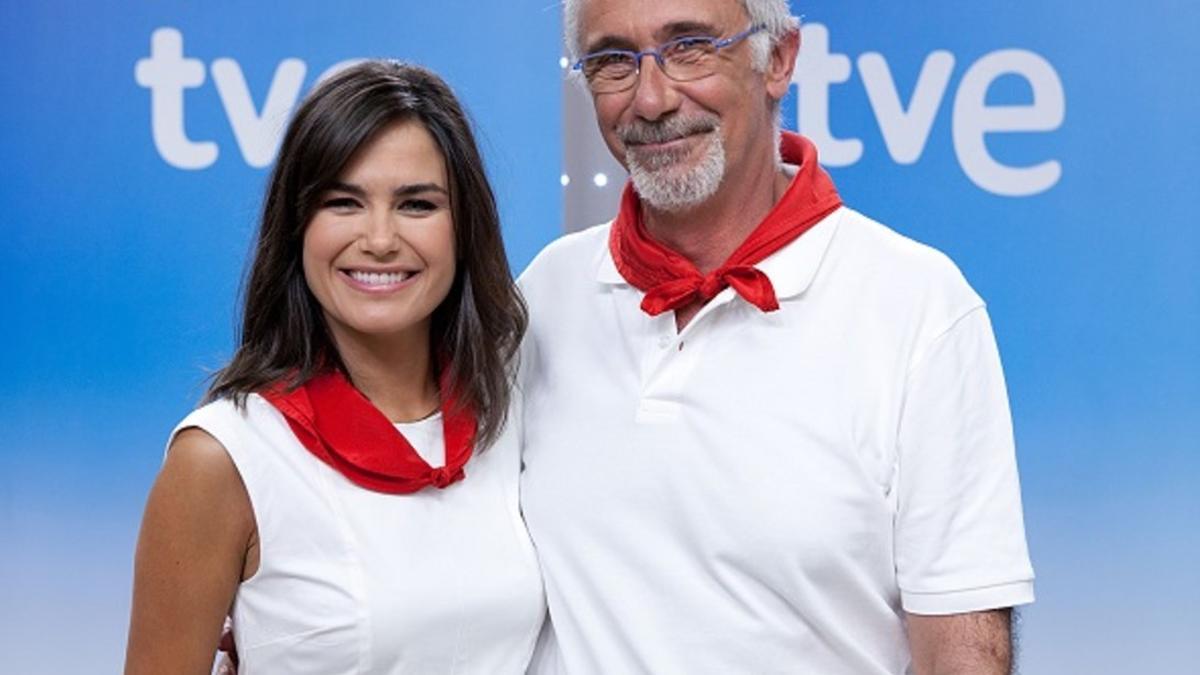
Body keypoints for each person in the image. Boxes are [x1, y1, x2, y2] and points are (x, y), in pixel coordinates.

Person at [517, 0, 1035, 673]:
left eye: (689, 47)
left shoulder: (920, 308)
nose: (650, 99)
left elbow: (961, 656)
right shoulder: (543, 296)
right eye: (613, 61)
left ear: (780, 59)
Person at [124, 60, 544, 674]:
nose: (379, 239)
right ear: (297, 226)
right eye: (343, 202)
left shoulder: (513, 411)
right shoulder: (223, 459)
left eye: (417, 204)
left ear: (464, 227)